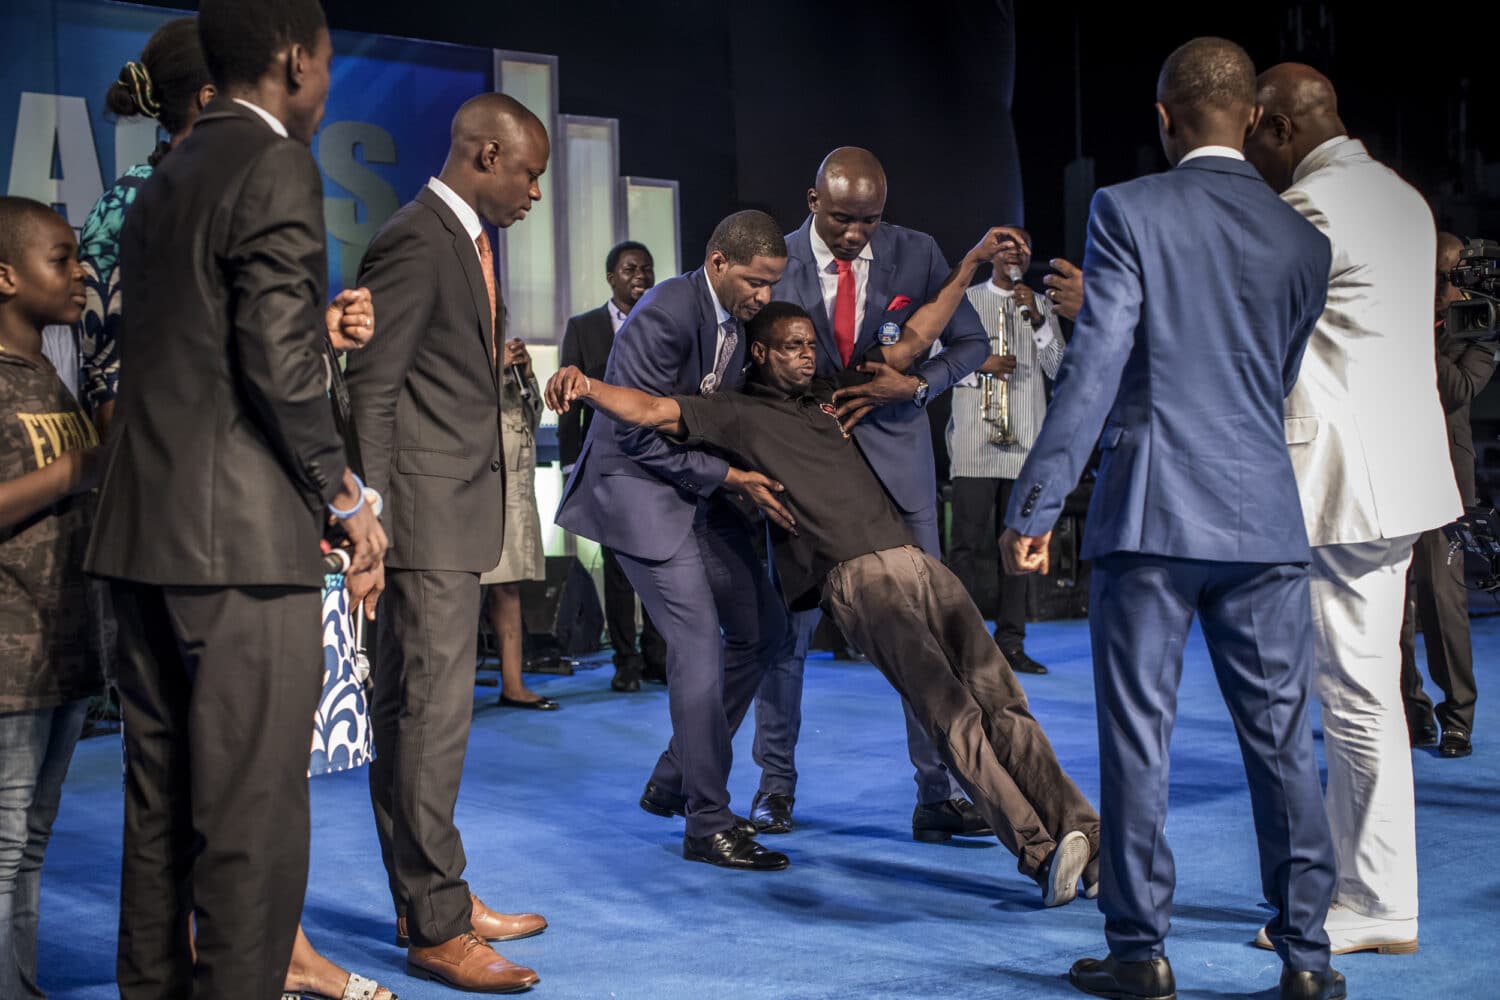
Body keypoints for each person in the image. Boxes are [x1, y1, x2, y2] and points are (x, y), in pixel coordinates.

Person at [545, 284, 1101, 907]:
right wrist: (586, 385)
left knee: (1005, 701)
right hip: (858, 578)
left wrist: (968, 267)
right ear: (759, 354)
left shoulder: (829, 395)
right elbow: (650, 411)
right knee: (952, 712)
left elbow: (915, 343)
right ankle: (1039, 851)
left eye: (810, 346)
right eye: (790, 348)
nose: (806, 356)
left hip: (918, 563)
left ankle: (1087, 835)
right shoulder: (735, 411)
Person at [1002, 38, 1344, 1000]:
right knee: (1283, 740)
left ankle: (1139, 953)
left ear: (1164, 118)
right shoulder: (1304, 242)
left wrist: (1037, 503)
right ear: (1249, 119)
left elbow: (1098, 365)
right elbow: (1273, 380)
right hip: (1264, 516)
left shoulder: (1128, 209)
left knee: (1137, 737)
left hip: (1149, 510)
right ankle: (1308, 960)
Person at [82, 20, 395, 1000]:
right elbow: (275, 362)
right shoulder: (273, 160)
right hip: (239, 554)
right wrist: (345, 497)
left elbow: (209, 355)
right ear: (298, 59)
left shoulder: (159, 178)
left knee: (160, 816)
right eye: (329, 62)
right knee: (250, 828)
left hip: (138, 538)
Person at [1244, 62, 1460, 959]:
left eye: (1253, 139)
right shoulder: (1402, 196)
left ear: (1281, 130)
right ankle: (1366, 889)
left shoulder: (1316, 208)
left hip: (1345, 487)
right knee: (1362, 689)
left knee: (1357, 697)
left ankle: (1375, 901)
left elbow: (1239, 312)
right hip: (1399, 478)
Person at [344, 92, 550, 993]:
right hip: (420, 521)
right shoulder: (416, 237)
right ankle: (434, 923)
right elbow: (371, 386)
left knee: (417, 723)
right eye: (531, 173)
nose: (536, 192)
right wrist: (371, 511)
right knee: (428, 725)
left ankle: (434, 897)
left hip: (446, 514)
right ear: (487, 153)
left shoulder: (461, 239)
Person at [751, 147, 991, 840]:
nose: (858, 234)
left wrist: (916, 387)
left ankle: (937, 795)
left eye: (871, 220)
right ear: (811, 201)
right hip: (804, 478)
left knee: (926, 636)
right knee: (784, 640)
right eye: (843, 219)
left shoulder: (917, 255)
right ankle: (775, 788)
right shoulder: (775, 260)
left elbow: (969, 344)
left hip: (900, 475)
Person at [554, 210, 795, 871]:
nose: (764, 299)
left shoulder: (736, 322)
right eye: (755, 282)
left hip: (696, 490)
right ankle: (707, 824)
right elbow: (633, 433)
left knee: (765, 630)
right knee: (697, 649)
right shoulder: (664, 310)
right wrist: (731, 475)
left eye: (773, 285)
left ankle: (675, 775)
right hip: (635, 492)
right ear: (718, 263)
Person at [0, 197, 102, 1000]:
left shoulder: (45, 373)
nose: (81, 273)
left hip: (63, 652)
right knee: (4, 848)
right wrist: (85, 466)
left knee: (32, 842)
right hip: (8, 663)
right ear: (6, 277)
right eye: (61, 259)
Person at [945, 226, 1063, 676]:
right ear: (993, 252)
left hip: (1025, 448)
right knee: (966, 547)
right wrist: (981, 363)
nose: (1017, 250)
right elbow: (937, 362)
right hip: (976, 445)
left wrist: (1037, 320)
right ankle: (963, 643)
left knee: (1016, 550)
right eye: (1008, 243)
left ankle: (1011, 643)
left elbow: (1060, 367)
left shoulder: (1042, 305)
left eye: (1025, 244)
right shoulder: (966, 300)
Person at [1400, 231, 1495, 756]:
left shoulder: (1480, 330)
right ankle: (1412, 713)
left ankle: (1457, 716)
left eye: (1446, 276)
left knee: (1444, 601)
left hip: (1443, 483)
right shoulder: (1393, 324)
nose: (1437, 286)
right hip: (1390, 473)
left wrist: (1412, 336)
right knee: (1394, 607)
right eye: (1430, 274)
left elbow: (1457, 391)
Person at [558, 241, 668, 692]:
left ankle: (659, 657)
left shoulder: (664, 322)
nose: (640, 274)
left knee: (662, 565)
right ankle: (627, 661)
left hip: (658, 463)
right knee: (619, 568)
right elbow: (569, 401)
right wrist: (570, 466)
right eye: (630, 268)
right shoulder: (582, 327)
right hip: (606, 464)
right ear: (611, 277)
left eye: (647, 267)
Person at [483, 336, 554, 710]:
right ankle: (449, 693)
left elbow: (532, 417)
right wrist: (493, 369)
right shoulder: (467, 356)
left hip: (514, 490)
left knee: (507, 588)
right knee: (463, 596)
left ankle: (513, 684)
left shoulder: (511, 365)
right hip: (478, 491)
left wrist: (526, 374)